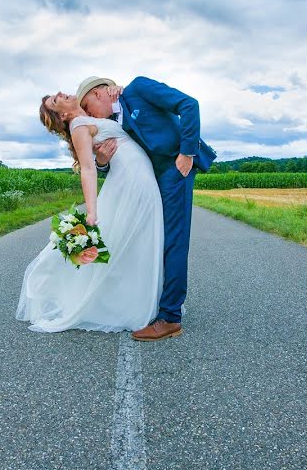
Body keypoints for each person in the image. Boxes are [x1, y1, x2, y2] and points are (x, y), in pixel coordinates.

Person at [15, 90, 165, 334]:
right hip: (130, 181)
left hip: (137, 176)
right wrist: (91, 212)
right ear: (62, 114)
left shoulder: (92, 118)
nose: (61, 93)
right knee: (132, 238)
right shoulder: (78, 125)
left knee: (137, 239)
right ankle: (125, 304)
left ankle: (137, 299)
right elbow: (87, 169)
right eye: (56, 100)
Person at [77, 76, 215, 341]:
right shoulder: (114, 121)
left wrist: (187, 153)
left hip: (176, 169)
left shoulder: (138, 88)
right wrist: (103, 162)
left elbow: (189, 104)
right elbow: (123, 159)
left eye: (88, 107)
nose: (89, 115)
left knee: (173, 240)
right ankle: (151, 301)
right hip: (150, 182)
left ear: (97, 94)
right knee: (155, 239)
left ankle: (171, 318)